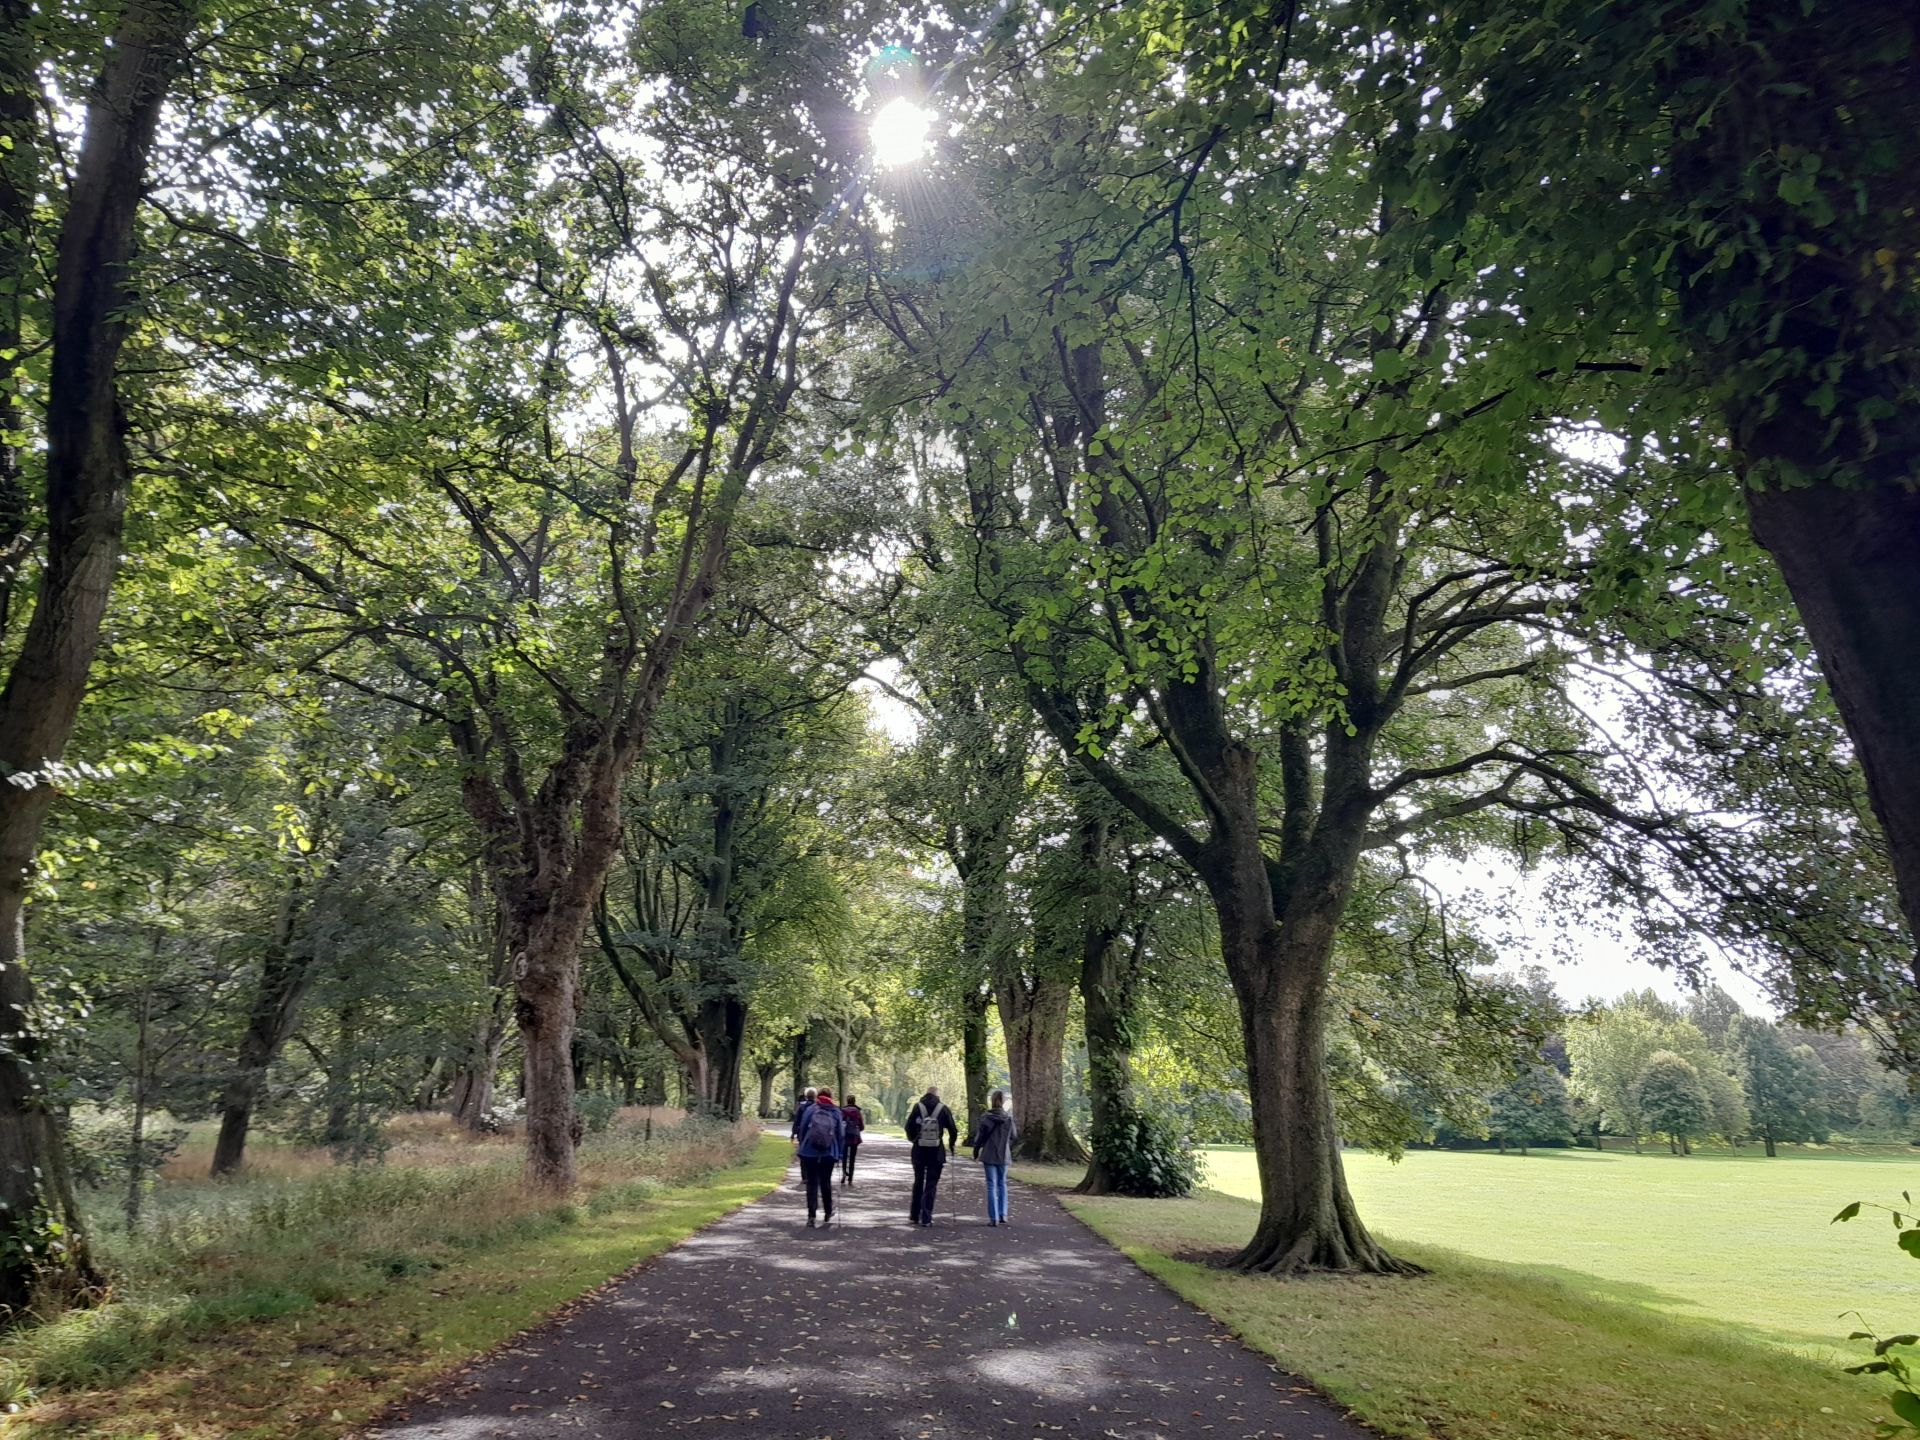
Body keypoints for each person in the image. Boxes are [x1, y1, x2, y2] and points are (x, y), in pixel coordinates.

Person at [903, 1085, 958, 1226]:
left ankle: (914, 1215)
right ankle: (926, 1217)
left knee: (918, 1182)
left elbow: (908, 1126)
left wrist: (913, 1139)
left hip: (919, 1151)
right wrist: (951, 1145)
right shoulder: (942, 1108)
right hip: (936, 1152)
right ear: (937, 1095)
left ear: (925, 1094)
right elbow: (953, 1129)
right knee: (931, 1184)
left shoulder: (918, 1107)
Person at [792, 1086, 844, 1227]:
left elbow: (802, 1129)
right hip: (828, 1152)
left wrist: (803, 1145)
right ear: (831, 1097)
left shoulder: (811, 1109)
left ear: (817, 1097)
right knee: (825, 1181)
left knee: (812, 1183)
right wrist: (839, 1153)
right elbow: (840, 1134)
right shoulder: (835, 1111)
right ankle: (828, 1211)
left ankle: (811, 1215)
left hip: (810, 1151)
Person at [967, 1089, 1020, 1226]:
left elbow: (980, 1137)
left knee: (991, 1185)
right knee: (1002, 1184)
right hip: (1003, 1154)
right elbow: (1014, 1136)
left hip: (989, 1153)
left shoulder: (986, 1117)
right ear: (1003, 1102)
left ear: (992, 1101)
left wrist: (976, 1150)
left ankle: (993, 1217)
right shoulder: (1009, 1118)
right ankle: (1003, 1214)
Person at [839, 1093, 867, 1184]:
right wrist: (858, 1129)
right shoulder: (857, 1111)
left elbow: (839, 1123)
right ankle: (850, 1178)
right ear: (854, 1101)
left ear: (847, 1101)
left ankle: (843, 1174)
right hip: (854, 1137)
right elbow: (862, 1126)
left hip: (845, 1136)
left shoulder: (842, 1110)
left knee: (844, 1157)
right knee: (852, 1158)